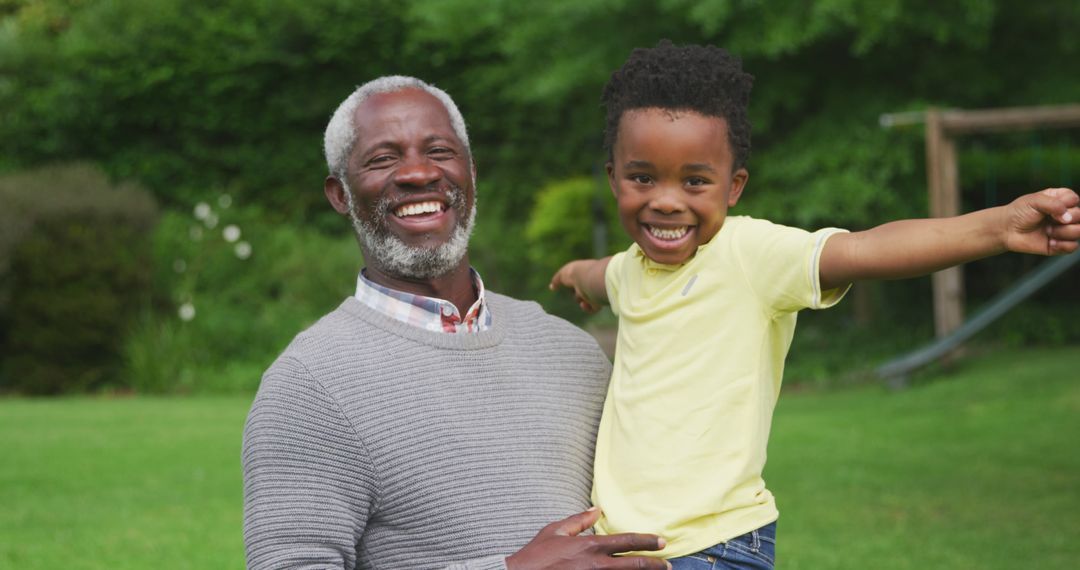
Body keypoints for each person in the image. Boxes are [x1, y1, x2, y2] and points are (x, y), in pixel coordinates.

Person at [550, 41, 1080, 569]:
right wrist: (574, 275)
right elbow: (600, 278)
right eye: (643, 177)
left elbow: (865, 248)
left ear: (733, 188)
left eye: (695, 181)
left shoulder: (747, 254)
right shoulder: (628, 269)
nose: (666, 199)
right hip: (622, 545)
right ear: (614, 178)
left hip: (711, 548)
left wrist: (999, 227)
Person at [242, 76, 671, 570]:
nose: (419, 173)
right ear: (340, 194)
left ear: (471, 172)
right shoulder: (308, 386)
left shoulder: (570, 352)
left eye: (440, 151)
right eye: (383, 159)